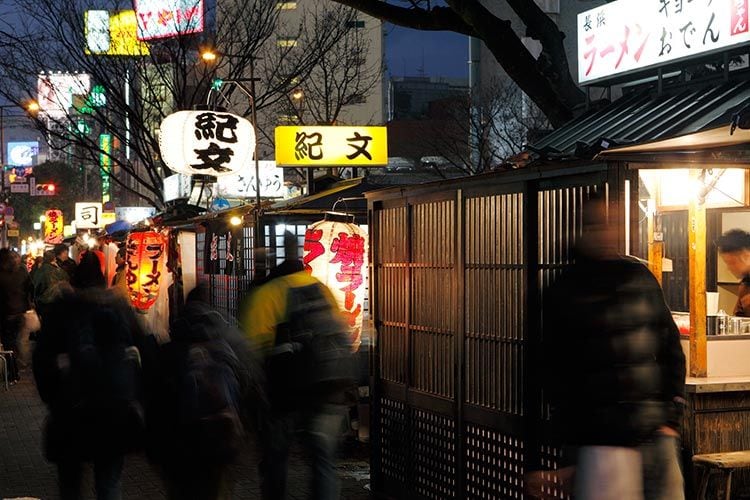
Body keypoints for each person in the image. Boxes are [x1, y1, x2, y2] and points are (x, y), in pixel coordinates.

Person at [542, 194, 686, 500]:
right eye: (599, 224)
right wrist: (568, 450)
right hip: (600, 441)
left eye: (614, 223)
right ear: (584, 229)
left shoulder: (640, 277)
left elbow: (671, 345)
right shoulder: (566, 289)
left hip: (655, 431)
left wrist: (672, 416)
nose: (608, 231)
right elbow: (552, 373)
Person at [240, 232, 354, 500]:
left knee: (275, 460)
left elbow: (252, 351)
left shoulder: (266, 294)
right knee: (324, 460)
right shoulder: (320, 288)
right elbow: (340, 334)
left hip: (284, 395)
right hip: (327, 389)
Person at [32, 252, 146, 500]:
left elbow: (41, 358)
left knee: (70, 484)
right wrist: (136, 396)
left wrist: (52, 398)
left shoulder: (62, 309)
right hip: (114, 409)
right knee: (109, 482)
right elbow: (143, 352)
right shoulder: (119, 308)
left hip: (70, 410)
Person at [146, 283, 264, 500]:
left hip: (178, 444)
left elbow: (153, 401)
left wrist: (154, 449)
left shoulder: (167, 353)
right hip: (218, 440)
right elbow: (250, 384)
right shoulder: (228, 347)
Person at [0, 248, 32, 382]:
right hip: (20, 312)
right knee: (16, 341)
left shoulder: (1, 274)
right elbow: (31, 288)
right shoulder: (22, 271)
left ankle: (12, 373)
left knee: (8, 343)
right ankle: (16, 371)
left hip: (5, 313)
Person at [717, 229, 750, 317]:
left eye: (731, 262)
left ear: (746, 256)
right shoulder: (745, 285)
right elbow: (739, 317)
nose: (729, 268)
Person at [32, 250, 70, 322]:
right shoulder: (59, 270)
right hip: (58, 301)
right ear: (54, 259)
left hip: (44, 302)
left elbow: (35, 286)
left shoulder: (40, 270)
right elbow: (67, 280)